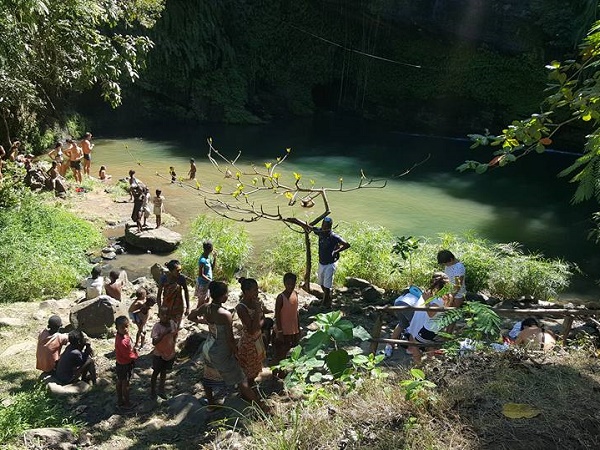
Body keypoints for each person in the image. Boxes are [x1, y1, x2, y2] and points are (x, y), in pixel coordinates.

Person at [189, 281, 267, 412]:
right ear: (223, 296)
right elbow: (230, 340)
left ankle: (211, 405)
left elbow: (191, 316)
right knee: (241, 379)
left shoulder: (206, 307)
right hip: (221, 349)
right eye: (227, 293)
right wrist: (236, 354)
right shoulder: (225, 315)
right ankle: (261, 406)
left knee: (208, 373)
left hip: (208, 346)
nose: (228, 295)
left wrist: (205, 321)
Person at [406, 272, 452, 364]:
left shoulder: (438, 299)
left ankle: (417, 365)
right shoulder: (448, 296)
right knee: (429, 345)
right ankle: (434, 364)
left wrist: (426, 300)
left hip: (428, 328)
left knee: (414, 345)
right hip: (437, 327)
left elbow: (431, 314)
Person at [236, 277, 266, 388]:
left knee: (255, 368)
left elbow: (261, 321)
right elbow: (252, 329)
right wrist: (258, 311)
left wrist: (260, 322)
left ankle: (250, 388)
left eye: (257, 289)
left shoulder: (255, 302)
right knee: (248, 370)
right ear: (246, 292)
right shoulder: (241, 307)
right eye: (254, 290)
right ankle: (246, 393)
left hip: (257, 339)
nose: (257, 292)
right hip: (249, 342)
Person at [314, 217, 350, 307]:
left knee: (327, 285)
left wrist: (336, 251)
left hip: (330, 263)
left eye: (326, 227)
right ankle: (328, 298)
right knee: (321, 283)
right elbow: (309, 227)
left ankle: (325, 303)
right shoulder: (320, 232)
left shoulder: (334, 236)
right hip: (321, 262)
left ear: (330, 227)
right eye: (323, 226)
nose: (324, 228)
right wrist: (295, 220)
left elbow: (347, 244)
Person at [383, 285, 423, 358]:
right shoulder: (422, 297)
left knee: (403, 323)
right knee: (413, 326)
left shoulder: (408, 293)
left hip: (397, 303)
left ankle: (389, 346)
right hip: (408, 305)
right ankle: (411, 348)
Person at [150, 307, 178, 399]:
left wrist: (173, 345)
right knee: (156, 371)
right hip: (159, 353)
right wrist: (164, 333)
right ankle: (152, 390)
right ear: (159, 315)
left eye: (167, 314)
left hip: (169, 352)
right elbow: (154, 342)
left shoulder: (172, 323)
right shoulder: (157, 327)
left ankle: (161, 389)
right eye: (163, 314)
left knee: (164, 371)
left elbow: (175, 334)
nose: (165, 316)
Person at [273, 273, 300, 365]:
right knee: (280, 352)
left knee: (288, 350)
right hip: (283, 330)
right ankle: (276, 372)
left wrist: (298, 328)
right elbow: (277, 315)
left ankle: (282, 371)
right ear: (284, 284)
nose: (291, 286)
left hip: (292, 329)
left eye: (293, 284)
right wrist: (279, 331)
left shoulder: (295, 294)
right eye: (288, 284)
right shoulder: (281, 297)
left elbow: (296, 312)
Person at [157, 259, 190, 328]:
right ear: (171, 271)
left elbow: (186, 292)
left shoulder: (181, 278)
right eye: (177, 271)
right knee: (165, 325)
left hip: (178, 305)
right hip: (166, 305)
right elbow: (159, 294)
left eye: (180, 270)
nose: (179, 272)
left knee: (176, 326)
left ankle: (174, 338)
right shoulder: (164, 278)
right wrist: (159, 308)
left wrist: (188, 307)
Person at [114, 316, 138, 409]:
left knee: (120, 381)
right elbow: (128, 356)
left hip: (120, 363)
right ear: (117, 328)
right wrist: (135, 355)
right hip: (125, 364)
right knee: (125, 384)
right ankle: (127, 403)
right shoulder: (122, 342)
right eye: (122, 327)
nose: (125, 329)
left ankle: (120, 400)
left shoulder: (121, 335)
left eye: (127, 326)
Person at [195, 241, 216, 308]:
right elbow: (200, 274)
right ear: (210, 249)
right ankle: (195, 315)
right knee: (201, 302)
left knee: (207, 300)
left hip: (207, 283)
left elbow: (212, 268)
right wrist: (210, 280)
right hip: (203, 284)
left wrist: (215, 258)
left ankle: (202, 314)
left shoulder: (208, 257)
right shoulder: (203, 260)